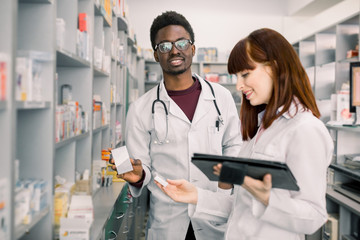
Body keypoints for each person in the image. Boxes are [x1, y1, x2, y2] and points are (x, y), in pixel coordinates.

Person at [155, 28, 334, 240]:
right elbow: (243, 205)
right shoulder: (261, 129)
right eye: (237, 76)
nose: (239, 85)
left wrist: (267, 198)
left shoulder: (304, 129)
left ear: (274, 68)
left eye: (246, 74)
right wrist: (196, 196)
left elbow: (313, 216)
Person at [111, 11, 242, 240]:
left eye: (181, 43)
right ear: (155, 55)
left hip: (215, 217)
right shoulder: (141, 109)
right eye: (164, 46)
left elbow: (234, 146)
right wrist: (140, 176)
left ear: (192, 48)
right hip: (168, 223)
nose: (174, 50)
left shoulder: (221, 97)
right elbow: (144, 169)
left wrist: (225, 188)